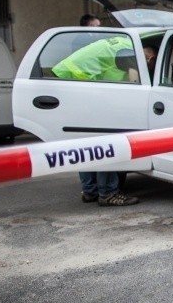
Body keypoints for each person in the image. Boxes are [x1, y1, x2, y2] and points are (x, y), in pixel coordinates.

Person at [54, 15, 140, 207]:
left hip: (69, 83)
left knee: (87, 141)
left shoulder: (116, 43)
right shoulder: (127, 49)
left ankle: (90, 191)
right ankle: (108, 192)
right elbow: (135, 82)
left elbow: (110, 73)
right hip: (77, 83)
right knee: (106, 140)